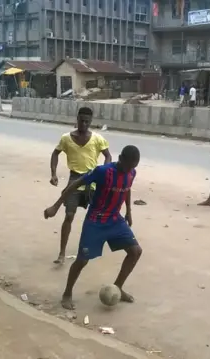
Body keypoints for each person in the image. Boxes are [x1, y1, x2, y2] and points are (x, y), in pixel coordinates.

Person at [43, 145, 142, 310]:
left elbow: (127, 188)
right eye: (128, 166)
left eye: (133, 167)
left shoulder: (131, 173)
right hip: (95, 221)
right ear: (121, 158)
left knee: (136, 251)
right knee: (82, 260)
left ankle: (118, 287)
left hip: (115, 219)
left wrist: (129, 212)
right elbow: (74, 185)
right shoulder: (102, 171)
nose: (129, 170)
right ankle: (67, 293)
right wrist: (55, 206)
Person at [49, 107, 112, 264]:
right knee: (69, 216)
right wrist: (53, 174)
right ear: (76, 119)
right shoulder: (66, 138)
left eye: (87, 121)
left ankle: (93, 248)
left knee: (97, 217)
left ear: (90, 122)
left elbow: (108, 155)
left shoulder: (98, 139)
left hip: (93, 180)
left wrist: (104, 172)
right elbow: (55, 153)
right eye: (81, 120)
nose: (83, 124)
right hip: (74, 180)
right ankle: (62, 253)